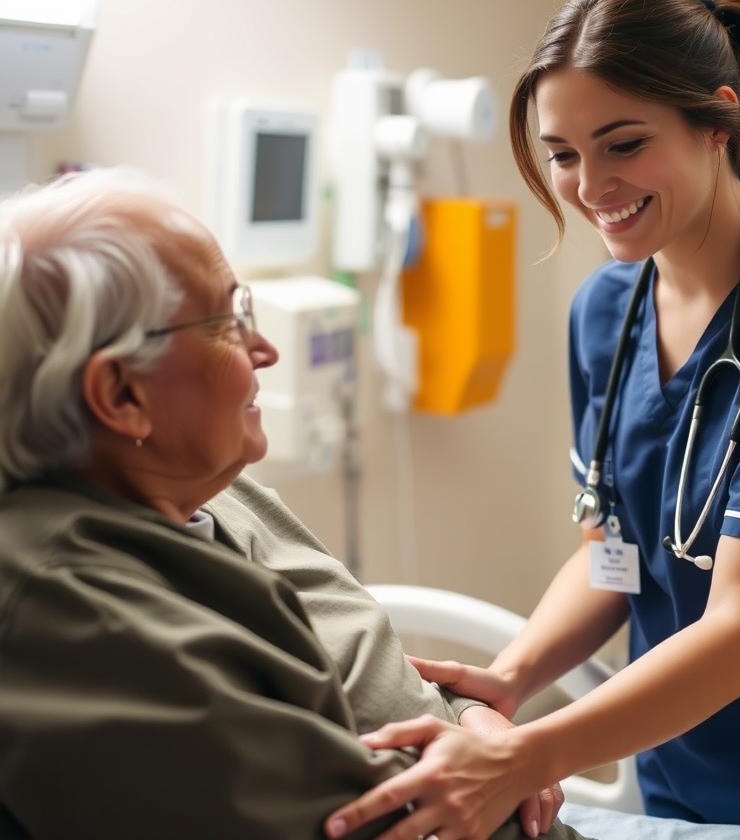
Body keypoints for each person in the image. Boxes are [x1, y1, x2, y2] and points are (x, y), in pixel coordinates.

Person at [327, 0, 740, 840]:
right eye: (562, 154)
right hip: (680, 750)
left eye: (624, 144)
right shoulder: (605, 311)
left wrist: (525, 757)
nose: (590, 183)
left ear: (716, 122)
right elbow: (615, 550)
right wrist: (510, 677)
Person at [0, 169, 571, 840]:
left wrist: (471, 717)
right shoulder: (80, 618)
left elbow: (367, 670)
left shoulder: (213, 491)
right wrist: (502, 762)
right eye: (227, 322)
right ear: (122, 395)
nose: (265, 349)